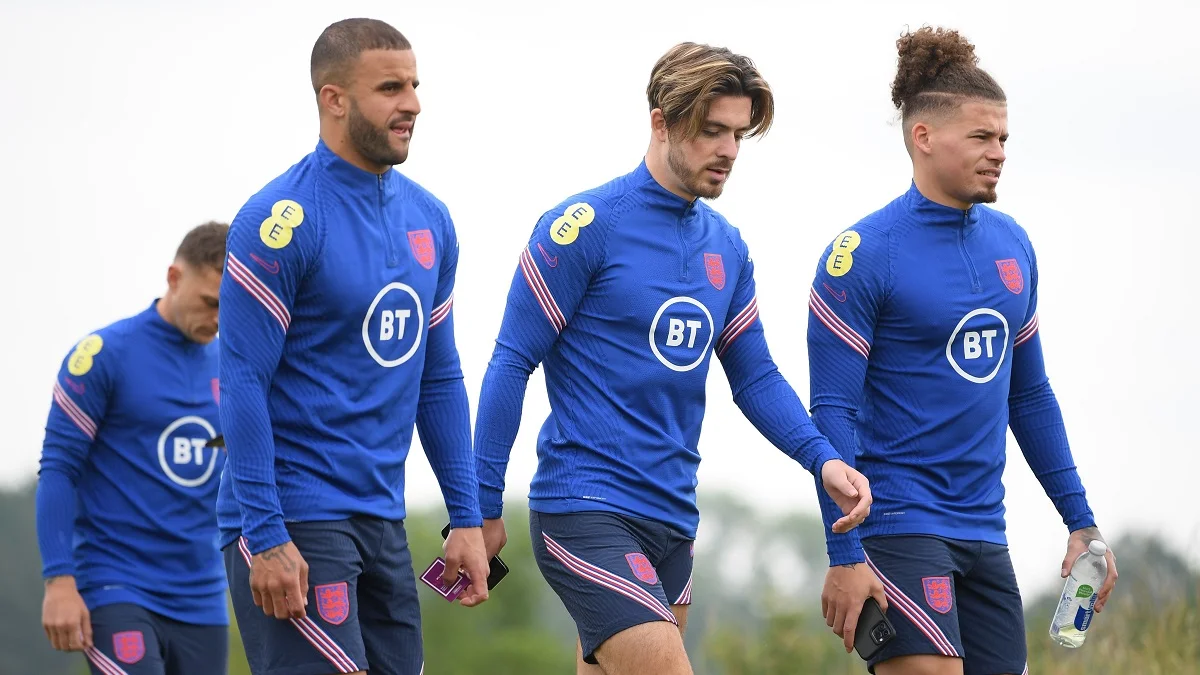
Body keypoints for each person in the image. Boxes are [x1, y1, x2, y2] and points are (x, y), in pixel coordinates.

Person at [473, 42, 876, 675]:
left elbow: (756, 377)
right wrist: (480, 503)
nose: (729, 150)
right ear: (661, 122)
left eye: (738, 134)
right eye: (712, 131)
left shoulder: (728, 248)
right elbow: (510, 362)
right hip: (585, 507)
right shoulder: (582, 227)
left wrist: (821, 458)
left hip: (673, 520)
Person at [807, 26, 1119, 675]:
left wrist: (1081, 521)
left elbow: (1029, 396)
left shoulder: (1013, 245)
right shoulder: (862, 255)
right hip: (897, 524)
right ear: (924, 136)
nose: (998, 152)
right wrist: (845, 553)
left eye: (1003, 138)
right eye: (981, 137)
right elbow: (832, 411)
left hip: (984, 533)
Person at [215, 17, 488, 675]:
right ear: (333, 99)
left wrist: (466, 516)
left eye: (415, 86)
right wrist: (266, 533)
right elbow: (242, 380)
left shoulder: (431, 219)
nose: (413, 104)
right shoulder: (279, 221)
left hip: (383, 519)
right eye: (390, 88)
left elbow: (439, 377)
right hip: (294, 517)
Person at [36, 221, 231, 675]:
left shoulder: (235, 365)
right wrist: (58, 580)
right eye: (210, 302)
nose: (220, 319)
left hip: (202, 595)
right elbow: (59, 468)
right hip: (116, 584)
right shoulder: (103, 355)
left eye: (230, 306)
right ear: (174, 278)